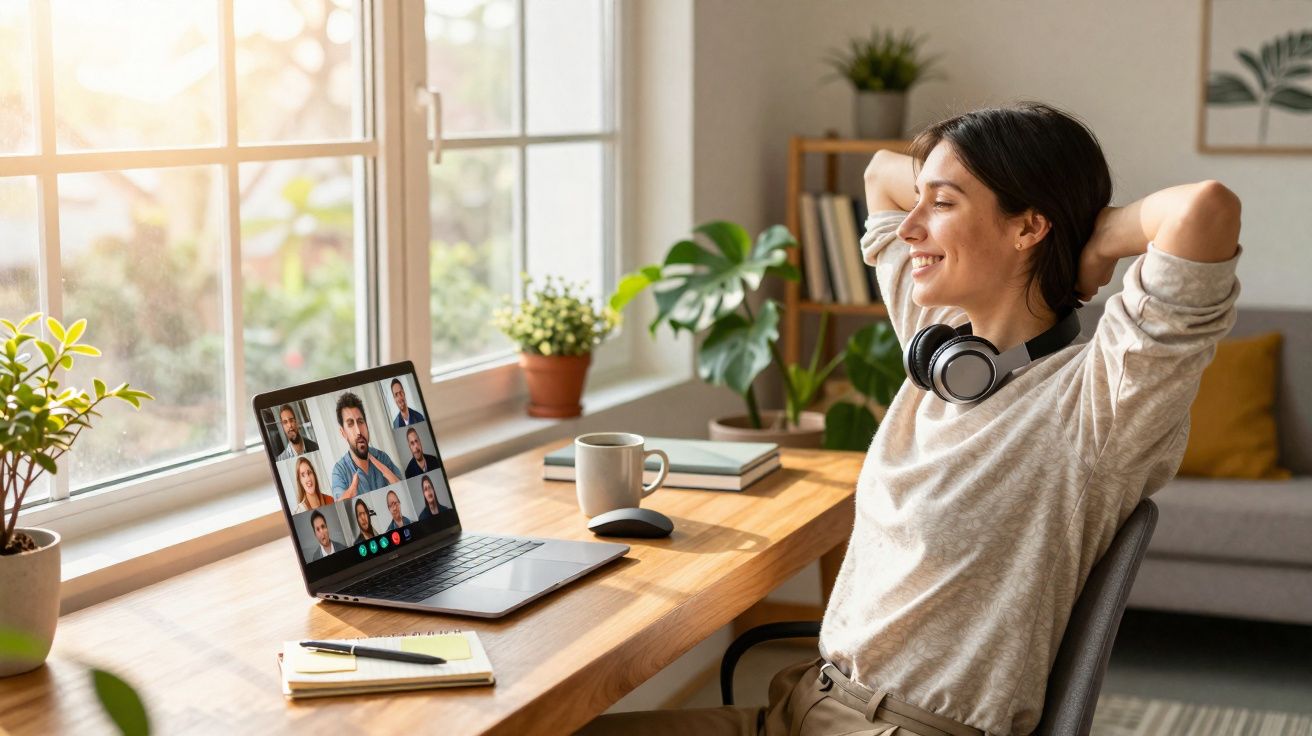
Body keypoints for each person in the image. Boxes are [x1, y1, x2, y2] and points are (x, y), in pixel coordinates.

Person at [578, 102, 1242, 736]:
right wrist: (946, 178)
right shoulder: (940, 342)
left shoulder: (1101, 401)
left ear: (1027, 227)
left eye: (943, 204)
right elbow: (877, 174)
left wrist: (1099, 237)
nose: (909, 226)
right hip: (802, 708)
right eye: (921, 199)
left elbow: (1204, 209)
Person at [330, 391, 403, 500]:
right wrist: (352, 489)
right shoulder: (339, 471)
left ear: (366, 424)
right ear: (343, 433)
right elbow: (341, 507)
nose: (358, 431)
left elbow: (405, 492)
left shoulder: (382, 457)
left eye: (360, 422)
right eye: (350, 424)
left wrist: (386, 471)